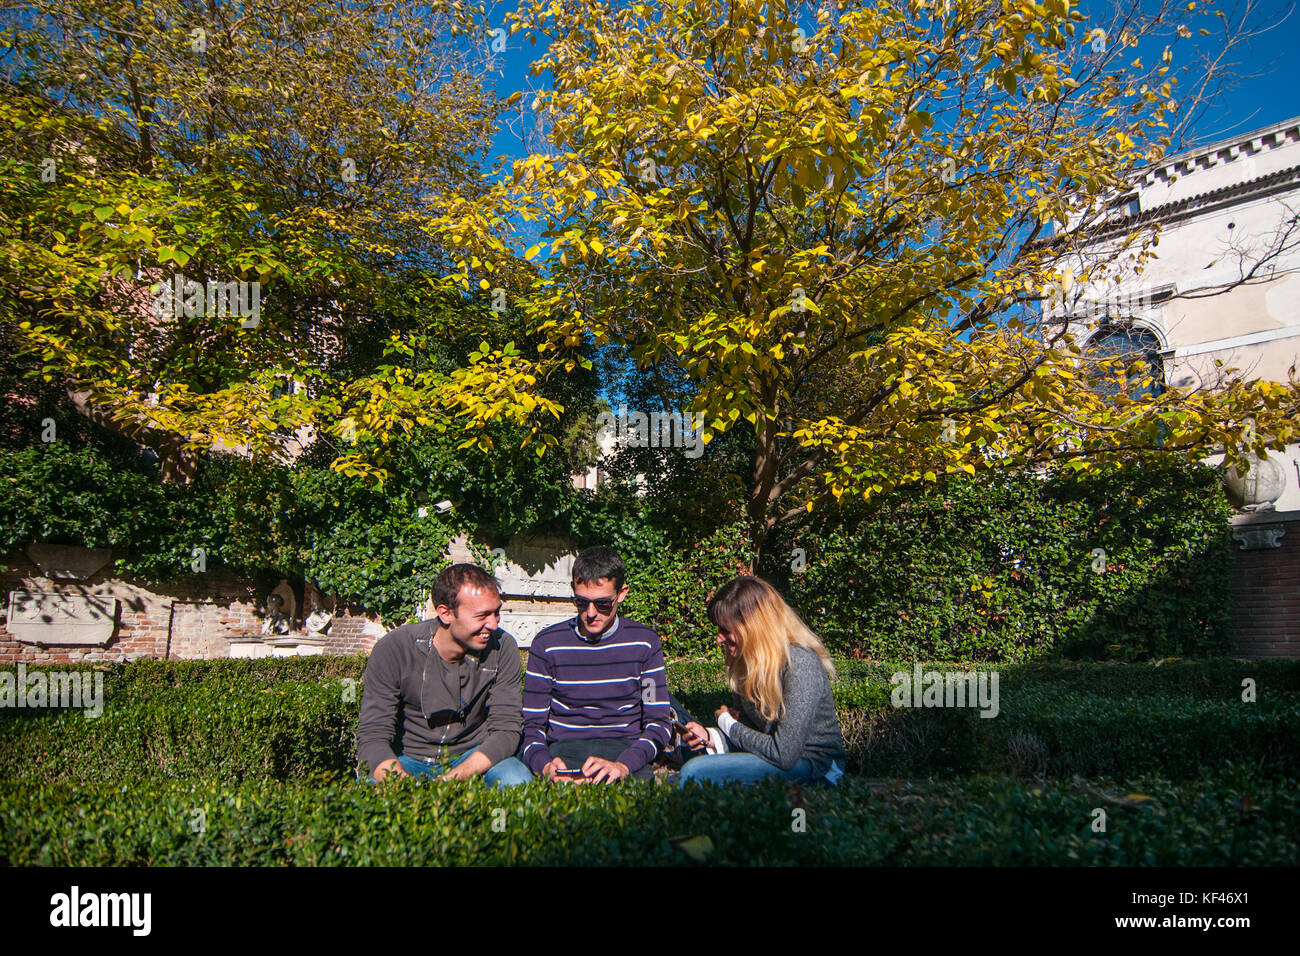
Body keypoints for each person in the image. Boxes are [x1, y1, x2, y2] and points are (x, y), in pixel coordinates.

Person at [357, 563, 531, 788]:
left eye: (496, 612)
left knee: (517, 782)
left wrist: (451, 780)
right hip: (409, 758)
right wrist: (408, 788)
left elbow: (507, 729)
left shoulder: (502, 647)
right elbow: (373, 735)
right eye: (482, 616)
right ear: (445, 613)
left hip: (472, 756)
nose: (494, 624)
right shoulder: (395, 649)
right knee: (372, 790)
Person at [520, 546, 672, 783]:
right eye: (581, 602)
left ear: (621, 593)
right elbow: (532, 725)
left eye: (602, 604)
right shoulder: (547, 645)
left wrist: (624, 764)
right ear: (573, 591)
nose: (591, 613)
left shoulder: (645, 644)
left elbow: (658, 722)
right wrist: (545, 765)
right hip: (563, 752)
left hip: (625, 751)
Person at [677, 575, 846, 787]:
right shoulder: (744, 663)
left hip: (817, 769)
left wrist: (727, 723)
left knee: (695, 773)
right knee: (690, 760)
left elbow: (784, 754)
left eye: (726, 630)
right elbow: (752, 735)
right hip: (780, 761)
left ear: (753, 628)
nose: (719, 638)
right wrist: (711, 737)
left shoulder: (801, 663)